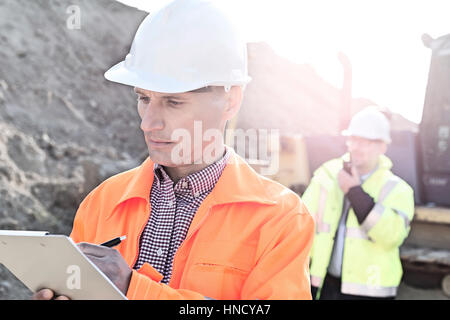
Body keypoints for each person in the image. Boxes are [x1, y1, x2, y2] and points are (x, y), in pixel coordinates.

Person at [32, 0, 314, 300]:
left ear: (231, 101)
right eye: (143, 98)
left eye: (173, 102)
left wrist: (134, 289)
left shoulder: (280, 218)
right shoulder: (102, 202)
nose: (148, 123)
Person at [302, 106, 414, 300]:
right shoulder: (326, 176)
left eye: (367, 142)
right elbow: (301, 225)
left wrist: (355, 193)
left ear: (383, 147)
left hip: (369, 292)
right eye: (354, 139)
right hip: (324, 286)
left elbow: (392, 236)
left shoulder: (397, 189)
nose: (357, 147)